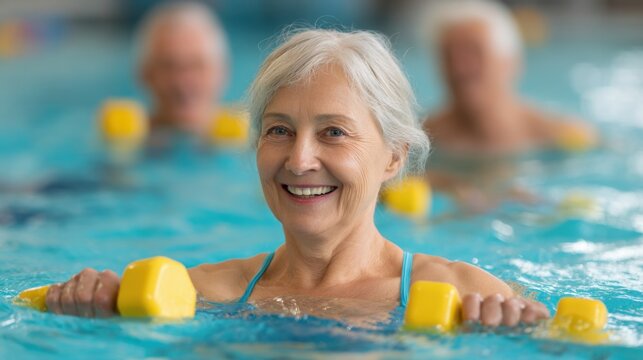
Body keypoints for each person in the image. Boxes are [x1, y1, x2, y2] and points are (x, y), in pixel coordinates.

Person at [45, 29, 549, 327]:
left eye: (333, 132)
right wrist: (88, 303)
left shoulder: (467, 295)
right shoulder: (206, 291)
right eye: (279, 130)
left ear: (394, 157)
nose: (300, 159)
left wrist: (508, 338)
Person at [420, 0, 596, 211]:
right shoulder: (420, 141)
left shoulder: (560, 136)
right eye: (449, 55)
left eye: (474, 52)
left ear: (510, 61)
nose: (460, 67)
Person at [137, 1, 229, 138]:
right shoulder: (120, 145)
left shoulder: (250, 145)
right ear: (145, 74)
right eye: (169, 66)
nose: (183, 82)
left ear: (221, 72)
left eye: (197, 66)